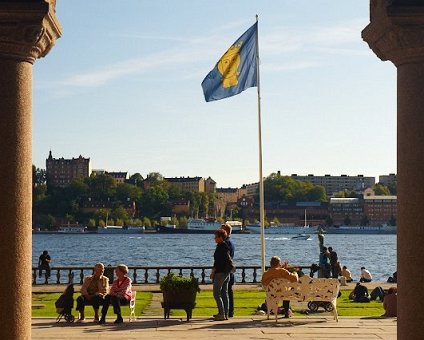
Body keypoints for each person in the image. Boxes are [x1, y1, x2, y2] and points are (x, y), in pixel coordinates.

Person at [210, 229, 231, 321]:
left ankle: (221, 313)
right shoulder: (226, 247)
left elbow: (218, 262)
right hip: (227, 272)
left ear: (220, 238)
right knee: (224, 293)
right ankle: (225, 313)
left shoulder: (220, 247)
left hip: (220, 273)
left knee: (216, 294)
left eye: (216, 237)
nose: (214, 238)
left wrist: (213, 272)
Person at [221, 223, 235, 318]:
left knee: (225, 292)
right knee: (228, 291)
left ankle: (227, 312)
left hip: (225, 270)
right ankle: (229, 311)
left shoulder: (226, 243)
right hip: (229, 270)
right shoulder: (230, 242)